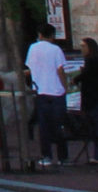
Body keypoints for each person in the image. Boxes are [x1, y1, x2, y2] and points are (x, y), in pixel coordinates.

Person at [25, 22, 70, 170]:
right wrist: (66, 86)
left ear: (39, 34)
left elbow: (30, 68)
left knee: (44, 126)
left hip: (40, 90)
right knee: (59, 125)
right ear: (52, 35)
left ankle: (46, 156)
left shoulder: (32, 48)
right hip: (56, 91)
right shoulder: (56, 49)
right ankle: (63, 157)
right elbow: (60, 70)